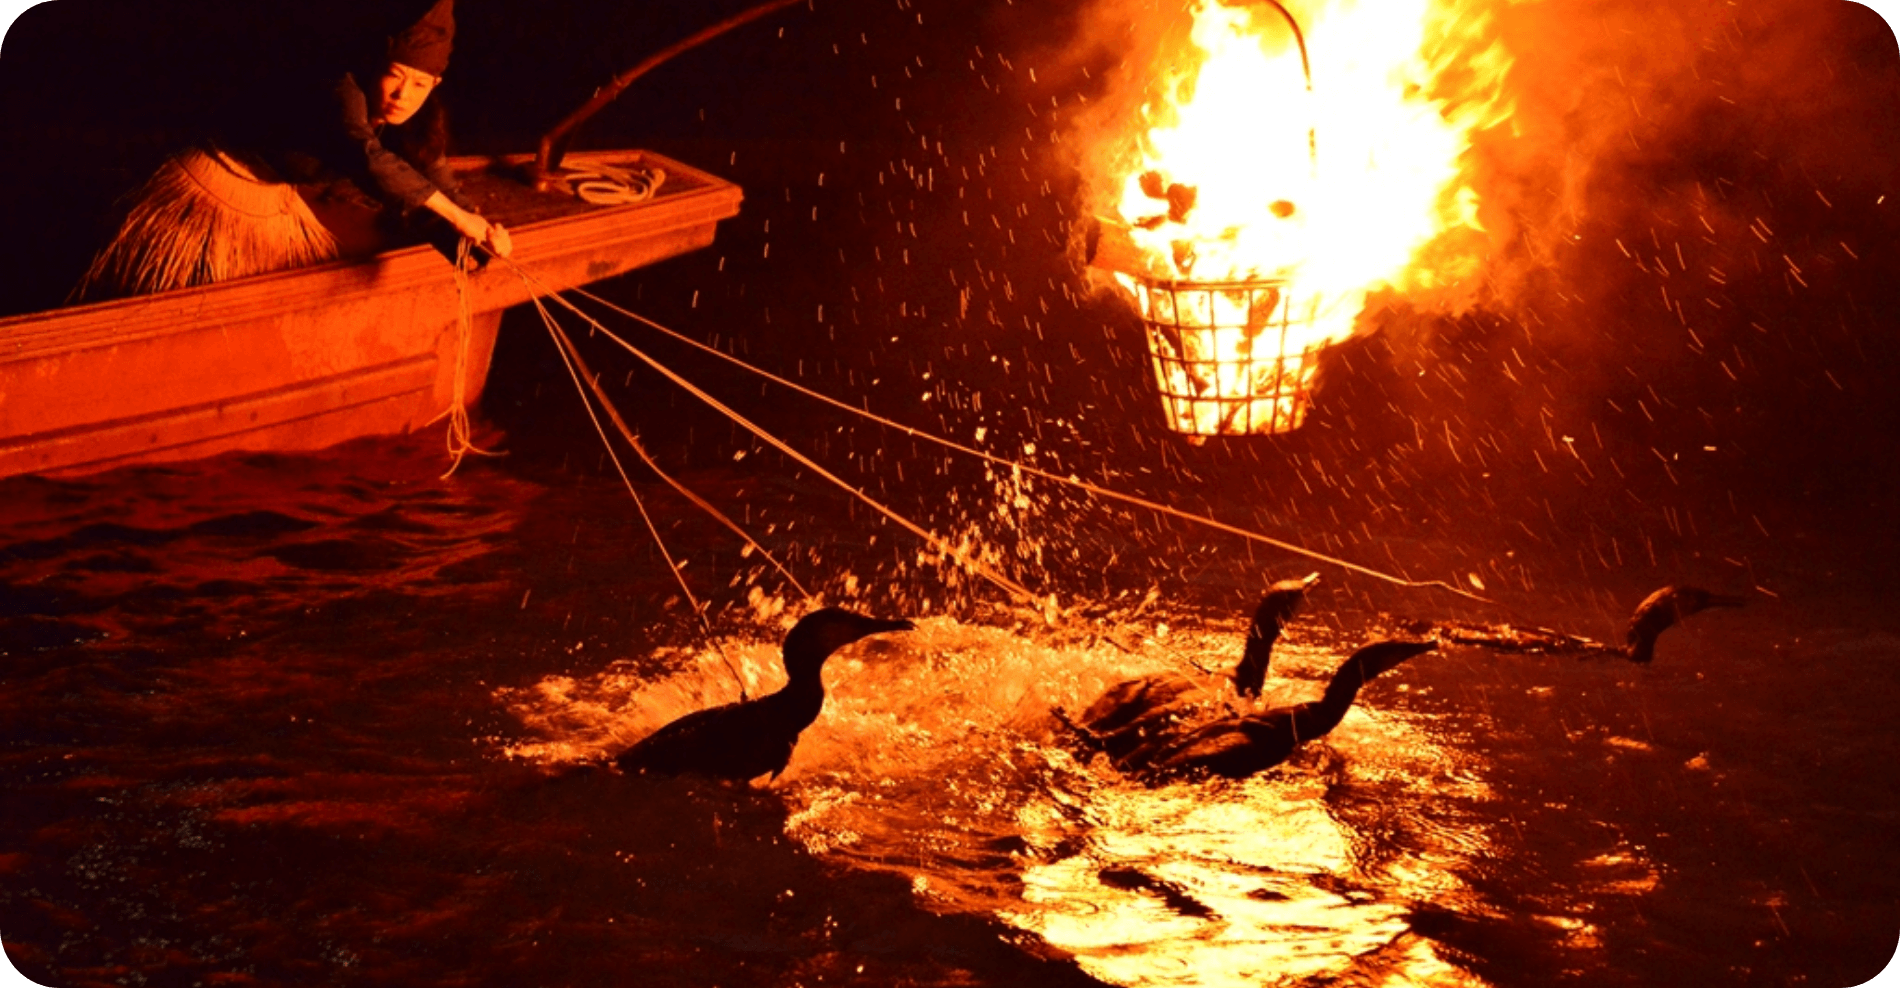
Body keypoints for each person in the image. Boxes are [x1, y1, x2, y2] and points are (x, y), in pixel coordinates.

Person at [73, 0, 508, 303]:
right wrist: (458, 219)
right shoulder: (341, 91)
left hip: (275, 198)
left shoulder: (420, 117)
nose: (402, 95)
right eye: (395, 76)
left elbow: (436, 173)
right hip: (220, 184)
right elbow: (368, 159)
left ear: (435, 85)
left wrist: (482, 232)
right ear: (376, 66)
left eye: (419, 84)